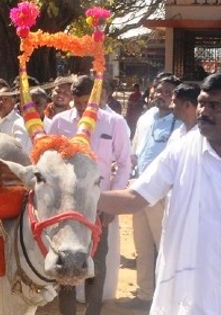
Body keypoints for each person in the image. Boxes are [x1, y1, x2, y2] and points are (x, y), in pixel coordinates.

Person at [98, 70, 221, 314]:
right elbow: (135, 197)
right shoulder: (181, 150)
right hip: (191, 295)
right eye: (202, 103)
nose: (205, 112)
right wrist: (83, 198)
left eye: (216, 106)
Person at [48, 75, 132, 315]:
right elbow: (49, 161)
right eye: (78, 103)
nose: (83, 108)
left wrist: (112, 204)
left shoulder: (114, 122)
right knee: (66, 259)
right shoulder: (59, 122)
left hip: (98, 206)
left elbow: (125, 163)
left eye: (88, 102)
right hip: (66, 207)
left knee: (96, 261)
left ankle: (93, 311)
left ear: (97, 98)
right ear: (72, 98)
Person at [127, 74, 181, 309]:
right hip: (138, 190)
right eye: (159, 90)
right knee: (142, 246)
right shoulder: (145, 118)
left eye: (168, 92)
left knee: (164, 248)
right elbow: (135, 151)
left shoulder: (181, 124)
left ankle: (166, 298)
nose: (162, 95)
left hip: (162, 195)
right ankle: (144, 295)